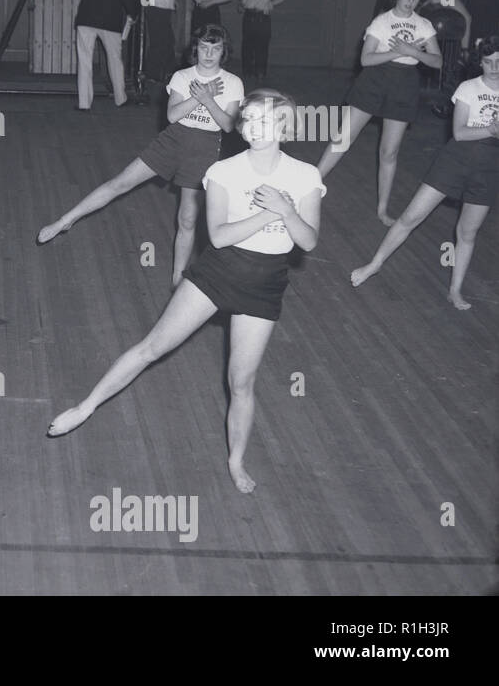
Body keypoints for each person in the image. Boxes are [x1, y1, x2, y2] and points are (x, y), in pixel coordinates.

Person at [47, 89, 324, 495]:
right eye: (249, 120)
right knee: (152, 347)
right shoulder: (225, 171)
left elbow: (309, 241)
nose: (255, 128)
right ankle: (84, 407)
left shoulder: (304, 177)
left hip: (265, 285)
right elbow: (219, 235)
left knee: (242, 382)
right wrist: (272, 212)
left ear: (287, 126)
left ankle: (236, 460)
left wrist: (287, 211)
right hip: (217, 274)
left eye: (266, 121)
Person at [39, 24, 243, 288]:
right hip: (173, 141)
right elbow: (172, 116)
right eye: (204, 47)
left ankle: (177, 280)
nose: (209, 54)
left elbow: (227, 125)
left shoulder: (232, 82)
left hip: (204, 149)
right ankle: (65, 221)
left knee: (187, 219)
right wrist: (200, 98)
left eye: (215, 49)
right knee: (120, 182)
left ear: (223, 52)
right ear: (196, 49)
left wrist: (209, 99)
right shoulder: (182, 76)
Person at [351, 37, 499, 310]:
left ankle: (455, 290)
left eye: (498, 62)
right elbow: (459, 133)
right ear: (480, 63)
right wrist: (490, 131)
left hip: (489, 168)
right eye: (488, 62)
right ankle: (374, 264)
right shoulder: (469, 88)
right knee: (410, 216)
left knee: (467, 232)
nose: (493, 67)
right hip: (455, 161)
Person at [316, 0, 441, 226]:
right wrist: (398, 51)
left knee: (389, 151)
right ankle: (310, 185)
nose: (411, 2)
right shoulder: (381, 22)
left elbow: (437, 61)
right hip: (374, 80)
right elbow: (365, 60)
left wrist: (414, 52)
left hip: (404, 85)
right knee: (343, 139)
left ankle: (383, 210)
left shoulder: (424, 25)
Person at [66, 0, 140, 110]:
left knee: (84, 61)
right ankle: (120, 99)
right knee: (115, 60)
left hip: (86, 17)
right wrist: (134, 13)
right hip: (111, 19)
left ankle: (84, 103)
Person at [237, 0, 287, 83]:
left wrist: (241, 7)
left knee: (248, 45)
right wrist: (271, 4)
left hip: (249, 16)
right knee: (262, 45)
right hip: (263, 18)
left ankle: (247, 71)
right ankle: (260, 72)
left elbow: (243, 1)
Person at [144, 0, 181, 90]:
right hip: (158, 10)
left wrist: (174, 1)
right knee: (160, 42)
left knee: (165, 41)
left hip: (162, 9)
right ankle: (153, 74)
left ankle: (161, 73)